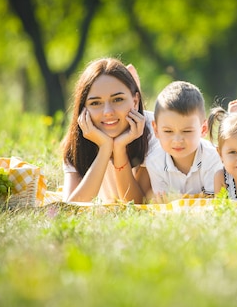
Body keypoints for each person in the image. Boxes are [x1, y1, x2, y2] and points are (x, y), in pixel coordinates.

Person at [61, 58, 156, 203]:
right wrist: (105, 148)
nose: (107, 112)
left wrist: (119, 149)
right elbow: (71, 208)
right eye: (95, 103)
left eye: (117, 99)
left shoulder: (156, 130)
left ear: (135, 101)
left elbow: (138, 205)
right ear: (83, 109)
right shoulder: (78, 139)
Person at [146, 81, 222, 200]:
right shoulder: (154, 161)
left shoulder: (213, 158)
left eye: (187, 131)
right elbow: (164, 203)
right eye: (168, 131)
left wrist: (179, 199)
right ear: (156, 129)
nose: (177, 140)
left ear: (203, 129)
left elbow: (213, 202)